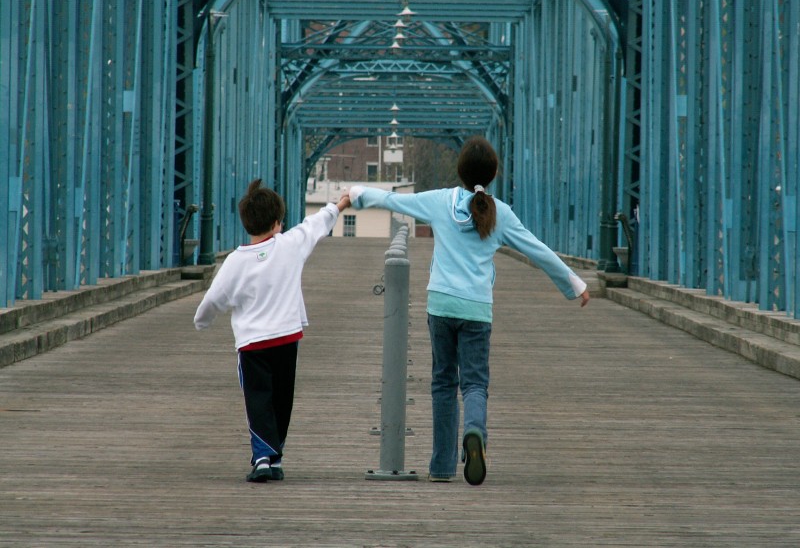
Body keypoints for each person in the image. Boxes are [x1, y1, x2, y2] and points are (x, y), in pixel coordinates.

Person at [348, 136, 590, 486]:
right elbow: (537, 251)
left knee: (443, 382)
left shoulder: (440, 201)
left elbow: (393, 199)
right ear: (492, 175)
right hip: (477, 309)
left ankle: (442, 466)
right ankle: (474, 432)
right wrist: (574, 284)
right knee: (475, 383)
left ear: (459, 171)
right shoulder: (500, 213)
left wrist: (355, 194)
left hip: (441, 305)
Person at [194, 178, 351, 483]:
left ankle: (263, 457)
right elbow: (316, 223)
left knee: (258, 398)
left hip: (252, 343)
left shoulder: (235, 262)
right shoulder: (290, 245)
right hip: (287, 336)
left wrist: (202, 321)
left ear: (246, 223)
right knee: (282, 398)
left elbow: (214, 299)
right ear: (278, 222)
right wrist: (340, 204)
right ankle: (274, 455)